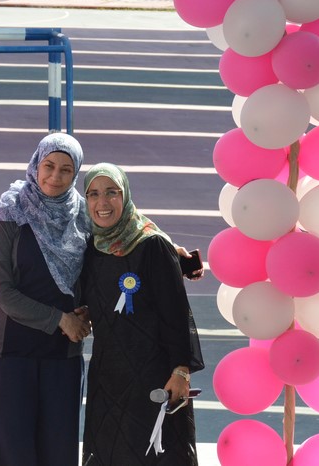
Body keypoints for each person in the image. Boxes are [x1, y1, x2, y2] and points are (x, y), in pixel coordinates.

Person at [0, 133, 91, 466]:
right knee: (13, 454)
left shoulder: (82, 214)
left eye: (66, 170)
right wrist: (61, 319)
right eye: (49, 166)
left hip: (62, 353)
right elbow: (1, 289)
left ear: (76, 173)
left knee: (59, 452)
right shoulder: (11, 210)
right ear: (35, 165)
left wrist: (172, 251)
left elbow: (123, 237)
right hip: (9, 351)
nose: (55, 177)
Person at [80, 163, 205, 466]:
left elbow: (176, 314)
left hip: (154, 376)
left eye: (112, 192)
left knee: (156, 453)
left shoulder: (152, 245)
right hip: (109, 375)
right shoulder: (92, 246)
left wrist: (180, 371)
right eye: (94, 194)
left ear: (125, 196)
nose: (102, 203)